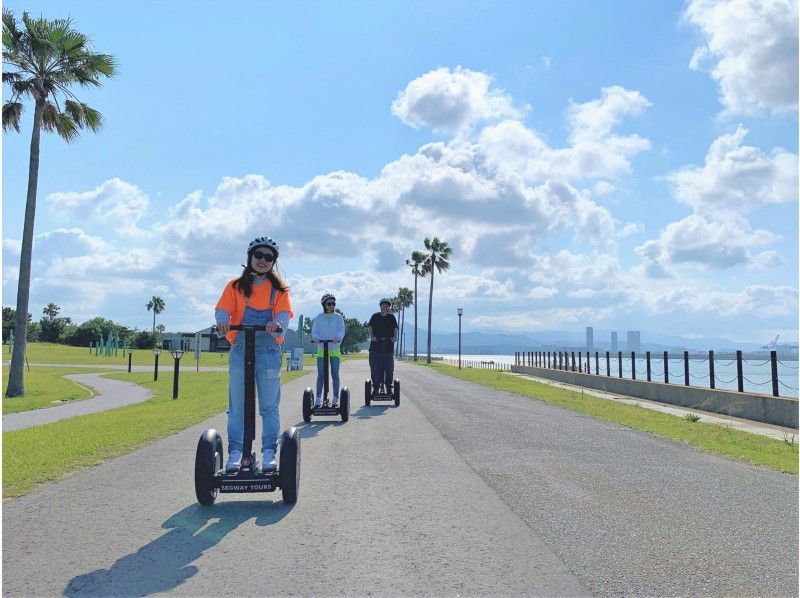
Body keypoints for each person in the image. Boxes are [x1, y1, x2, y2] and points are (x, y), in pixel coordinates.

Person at [215, 236, 293, 473]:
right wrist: (223, 322)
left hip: (268, 351)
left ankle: (269, 452)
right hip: (240, 349)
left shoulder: (279, 290)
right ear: (250, 257)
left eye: (268, 257)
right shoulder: (235, 286)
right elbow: (222, 310)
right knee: (237, 406)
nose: (262, 260)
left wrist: (276, 325)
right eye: (258, 255)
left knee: (269, 406)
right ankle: (236, 452)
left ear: (273, 262)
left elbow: (283, 316)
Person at [311, 293, 346, 408]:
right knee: (321, 375)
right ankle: (318, 398)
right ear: (324, 305)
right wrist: (315, 338)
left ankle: (335, 398)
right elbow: (314, 331)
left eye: (333, 303)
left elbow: (341, 330)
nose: (331, 306)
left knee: (335, 374)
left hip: (334, 348)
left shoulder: (339, 317)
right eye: (329, 303)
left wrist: (338, 337)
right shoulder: (318, 318)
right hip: (321, 349)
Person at [368, 298, 399, 394]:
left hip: (388, 347)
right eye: (383, 305)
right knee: (375, 368)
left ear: (389, 307)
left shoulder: (391, 317)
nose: (385, 307)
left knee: (389, 368)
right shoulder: (375, 316)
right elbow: (370, 327)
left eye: (386, 306)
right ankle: (376, 387)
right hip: (375, 347)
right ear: (380, 306)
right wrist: (372, 336)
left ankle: (388, 387)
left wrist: (395, 337)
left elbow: (395, 328)